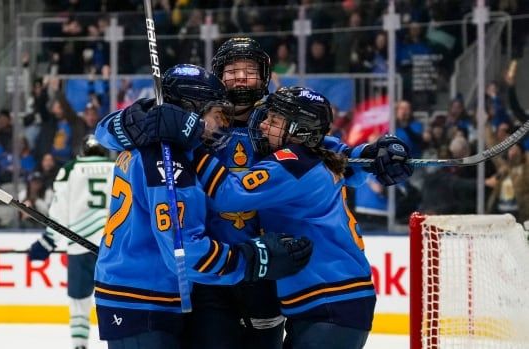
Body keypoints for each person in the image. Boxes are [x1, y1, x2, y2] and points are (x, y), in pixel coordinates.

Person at [106, 37, 411, 349]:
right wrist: (136, 119)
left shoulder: (275, 123)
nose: (240, 77)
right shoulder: (199, 117)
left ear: (264, 76)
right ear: (218, 75)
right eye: (232, 70)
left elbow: (330, 158)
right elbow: (108, 132)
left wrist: (375, 157)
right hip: (213, 273)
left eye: (249, 70)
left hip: (267, 270)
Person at [93, 64, 313, 349]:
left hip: (142, 294)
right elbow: (186, 256)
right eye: (215, 114)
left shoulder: (149, 141)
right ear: (190, 110)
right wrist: (256, 258)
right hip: (144, 300)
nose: (221, 124)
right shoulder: (169, 160)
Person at [192, 86, 376, 349]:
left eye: (274, 120)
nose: (263, 125)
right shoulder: (312, 158)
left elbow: (228, 194)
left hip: (332, 302)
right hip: (330, 302)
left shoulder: (293, 162)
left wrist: (191, 144)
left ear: (299, 129)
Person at [28, 134, 114, 349]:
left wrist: (48, 242)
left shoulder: (70, 169)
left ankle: (79, 345)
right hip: (111, 247)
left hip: (79, 246)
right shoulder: (117, 167)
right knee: (115, 299)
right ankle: (119, 341)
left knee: (79, 301)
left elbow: (59, 211)